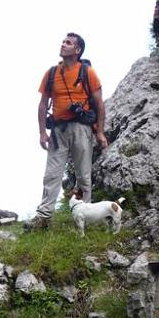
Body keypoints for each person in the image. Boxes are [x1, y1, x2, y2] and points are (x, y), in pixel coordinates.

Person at [30, 33, 109, 229]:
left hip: (82, 128)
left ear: (77, 50)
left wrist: (100, 132)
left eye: (69, 43)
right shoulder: (51, 73)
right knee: (52, 174)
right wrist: (42, 132)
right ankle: (44, 217)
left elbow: (99, 104)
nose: (63, 45)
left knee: (83, 174)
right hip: (58, 129)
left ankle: (86, 214)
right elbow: (42, 105)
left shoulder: (87, 72)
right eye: (63, 42)